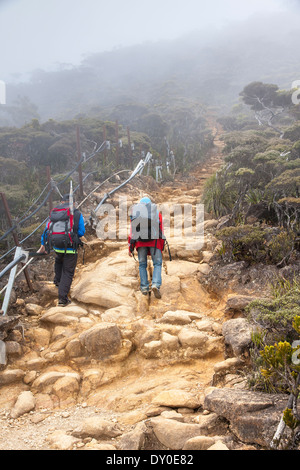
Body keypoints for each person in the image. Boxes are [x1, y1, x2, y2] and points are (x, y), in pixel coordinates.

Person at [37, 194, 85, 306]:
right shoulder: (76, 213)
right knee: (68, 272)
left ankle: (57, 281)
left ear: (62, 202)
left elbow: (47, 229)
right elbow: (81, 232)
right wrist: (72, 236)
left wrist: (43, 244)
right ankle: (62, 299)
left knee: (59, 260)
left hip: (56, 245)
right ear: (73, 202)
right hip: (70, 247)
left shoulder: (55, 213)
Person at [128, 196, 164, 299]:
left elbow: (132, 232)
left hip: (140, 242)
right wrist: (161, 245)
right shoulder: (156, 213)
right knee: (157, 263)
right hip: (155, 241)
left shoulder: (136, 214)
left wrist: (130, 246)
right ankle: (155, 284)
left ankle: (144, 287)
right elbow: (161, 230)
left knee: (142, 264)